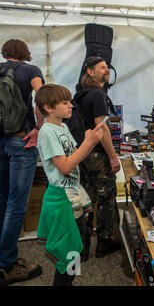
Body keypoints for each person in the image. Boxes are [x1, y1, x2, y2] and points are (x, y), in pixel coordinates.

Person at [35, 84, 103, 286]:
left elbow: (75, 155)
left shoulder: (62, 127)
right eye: (65, 103)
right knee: (67, 254)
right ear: (48, 107)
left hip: (72, 196)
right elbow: (65, 166)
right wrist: (89, 143)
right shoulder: (47, 132)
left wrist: (89, 142)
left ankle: (68, 282)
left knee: (75, 249)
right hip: (61, 199)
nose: (70, 106)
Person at [0, 39, 45, 285]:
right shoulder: (31, 70)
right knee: (17, 204)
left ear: (5, 53)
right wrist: (38, 128)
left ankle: (3, 259)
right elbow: (41, 96)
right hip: (21, 141)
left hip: (0, 141)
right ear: (25, 53)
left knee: (2, 200)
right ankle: (7, 264)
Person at [76, 56, 121, 261]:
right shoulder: (97, 95)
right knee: (105, 198)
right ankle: (105, 242)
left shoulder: (82, 94)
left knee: (87, 200)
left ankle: (82, 248)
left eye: (108, 67)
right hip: (97, 155)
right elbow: (101, 128)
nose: (107, 70)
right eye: (102, 67)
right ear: (90, 72)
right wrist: (112, 156)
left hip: (84, 154)